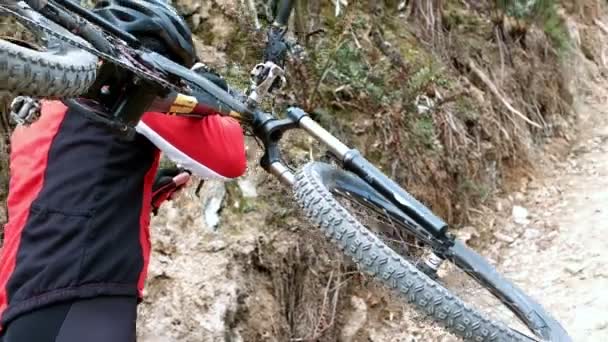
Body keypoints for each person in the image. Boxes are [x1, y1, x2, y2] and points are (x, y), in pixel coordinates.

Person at [0, 0, 247, 341]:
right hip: (83, 295)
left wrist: (140, 193)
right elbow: (229, 158)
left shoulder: (47, 107)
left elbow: (66, 190)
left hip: (22, 306)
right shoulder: (127, 87)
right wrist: (208, 87)